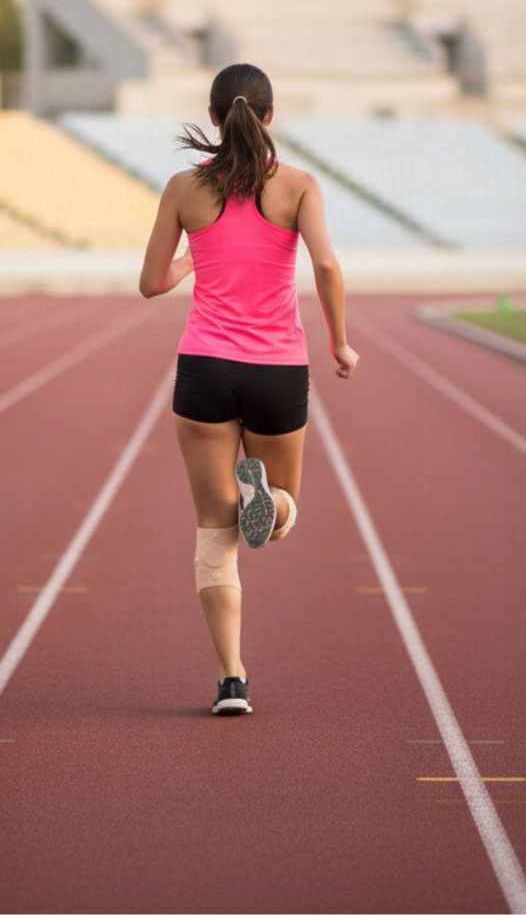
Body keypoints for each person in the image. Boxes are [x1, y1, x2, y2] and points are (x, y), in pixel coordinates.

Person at [139, 63, 359, 717]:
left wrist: (193, 259)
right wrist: (340, 342)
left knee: (214, 533)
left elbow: (152, 282)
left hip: (205, 367)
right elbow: (323, 263)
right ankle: (274, 505)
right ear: (268, 117)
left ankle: (231, 679)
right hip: (276, 369)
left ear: (213, 118)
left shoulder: (185, 188)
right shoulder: (297, 186)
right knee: (283, 506)